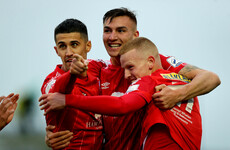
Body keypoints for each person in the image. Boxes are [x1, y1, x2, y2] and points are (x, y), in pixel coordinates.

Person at [41, 7, 220, 149]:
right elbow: (65, 79)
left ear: (135, 36)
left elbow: (211, 78)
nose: (112, 37)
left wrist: (178, 94)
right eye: (107, 30)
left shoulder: (156, 62)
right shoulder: (97, 67)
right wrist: (55, 130)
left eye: (120, 30)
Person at [40, 18, 105, 149]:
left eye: (74, 44)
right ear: (56, 50)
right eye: (62, 46)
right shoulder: (50, 82)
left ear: (88, 46)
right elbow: (59, 90)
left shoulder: (99, 67)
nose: (69, 53)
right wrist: (71, 74)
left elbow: (131, 61)